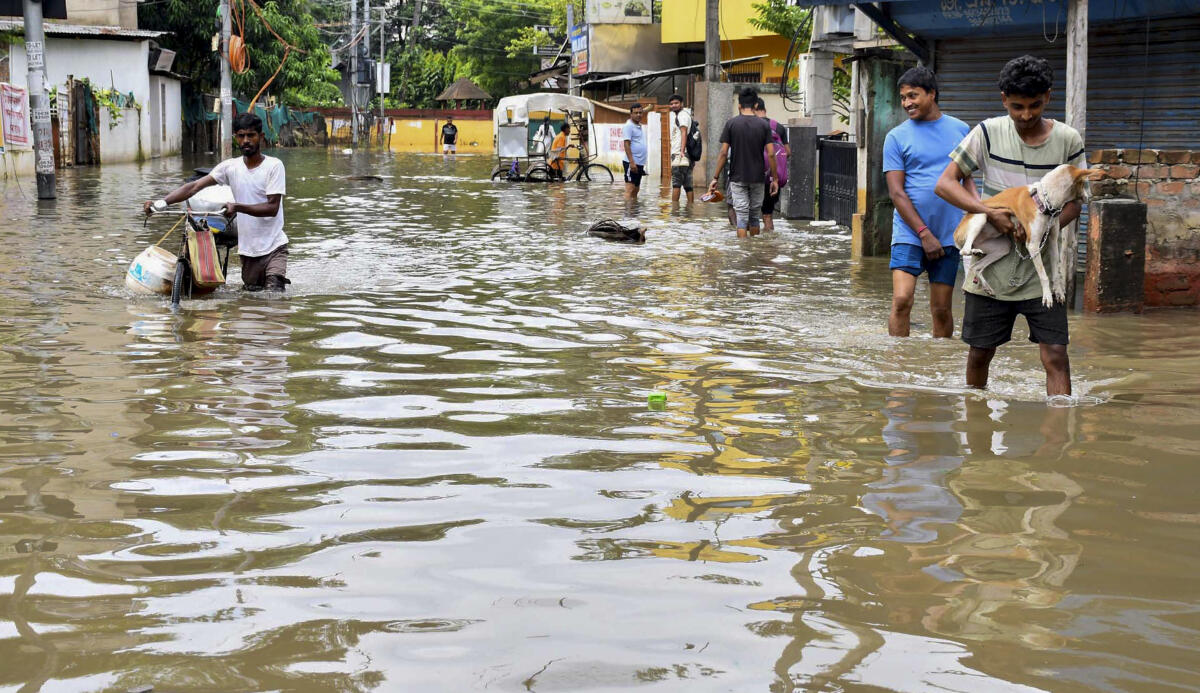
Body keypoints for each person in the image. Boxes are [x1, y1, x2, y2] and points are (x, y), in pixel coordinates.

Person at [934, 55, 1086, 396]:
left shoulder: (1068, 140)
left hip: (1043, 271)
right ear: (1004, 99)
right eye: (1017, 106)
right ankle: (975, 430)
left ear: (1048, 97)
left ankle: (1058, 436)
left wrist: (1042, 230)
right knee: (979, 353)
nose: (1026, 115)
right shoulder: (986, 133)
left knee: (1057, 356)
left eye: (1034, 105)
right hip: (992, 269)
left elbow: (1076, 201)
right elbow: (945, 184)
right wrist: (992, 215)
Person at [143, 112, 289, 292]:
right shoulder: (230, 167)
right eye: (241, 136)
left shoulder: (274, 166)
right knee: (252, 296)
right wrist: (161, 203)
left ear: (261, 137)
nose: (246, 141)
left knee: (274, 295)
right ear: (236, 137)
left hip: (275, 246)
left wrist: (237, 207)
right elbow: (194, 186)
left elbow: (272, 207)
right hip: (248, 250)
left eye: (251, 135)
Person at [883, 66, 973, 339]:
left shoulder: (961, 129)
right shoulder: (896, 137)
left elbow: (967, 181)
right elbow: (897, 193)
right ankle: (897, 365)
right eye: (903, 98)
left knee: (942, 309)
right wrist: (923, 233)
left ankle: (940, 368)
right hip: (909, 232)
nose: (907, 103)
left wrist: (977, 218)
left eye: (913, 95)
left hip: (948, 234)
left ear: (932, 94)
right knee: (901, 300)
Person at [708, 88, 776, 238]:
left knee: (742, 216)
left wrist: (715, 178)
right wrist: (775, 179)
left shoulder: (731, 124)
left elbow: (723, 153)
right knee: (754, 216)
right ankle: (753, 252)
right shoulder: (764, 125)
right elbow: (771, 154)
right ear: (756, 105)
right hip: (758, 178)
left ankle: (743, 252)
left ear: (739, 105)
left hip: (737, 177)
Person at [753, 98, 790, 233]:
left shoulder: (753, 126)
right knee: (768, 214)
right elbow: (787, 152)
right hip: (774, 177)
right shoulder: (778, 127)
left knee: (750, 215)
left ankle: (752, 247)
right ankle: (770, 245)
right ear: (765, 109)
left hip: (754, 176)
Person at [668, 94, 695, 204]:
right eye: (671, 104)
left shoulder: (682, 116)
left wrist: (681, 152)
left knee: (676, 183)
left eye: (676, 103)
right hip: (687, 154)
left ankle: (674, 212)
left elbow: (684, 133)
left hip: (680, 154)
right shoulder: (685, 115)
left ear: (682, 104)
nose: (673, 105)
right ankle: (690, 208)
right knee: (688, 184)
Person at [621, 103, 648, 200]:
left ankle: (633, 212)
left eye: (640, 112)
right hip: (631, 163)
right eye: (636, 113)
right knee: (630, 189)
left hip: (639, 163)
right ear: (631, 114)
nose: (638, 115)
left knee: (636, 189)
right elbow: (626, 144)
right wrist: (632, 163)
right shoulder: (629, 126)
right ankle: (627, 214)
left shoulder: (639, 126)